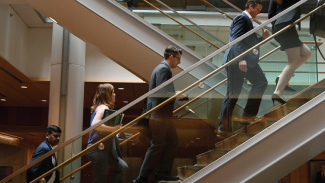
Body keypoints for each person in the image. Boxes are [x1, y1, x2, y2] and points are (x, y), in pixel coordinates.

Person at [133, 45, 187, 183]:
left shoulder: (160, 68)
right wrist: (177, 95)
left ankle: (162, 173)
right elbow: (163, 93)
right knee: (157, 144)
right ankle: (142, 177)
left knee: (171, 141)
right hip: (160, 116)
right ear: (171, 57)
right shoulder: (164, 69)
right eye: (178, 59)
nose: (179, 63)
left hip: (160, 115)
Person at [217, 0, 270, 137]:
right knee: (260, 82)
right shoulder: (242, 18)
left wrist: (262, 38)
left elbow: (247, 43)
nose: (259, 12)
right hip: (238, 61)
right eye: (257, 9)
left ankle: (224, 128)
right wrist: (240, 59)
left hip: (239, 60)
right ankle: (246, 117)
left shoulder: (248, 21)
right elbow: (236, 39)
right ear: (250, 6)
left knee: (233, 94)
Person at [268, 0, 311, 104]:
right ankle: (278, 92)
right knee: (293, 61)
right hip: (285, 26)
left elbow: (271, 14)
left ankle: (281, 77)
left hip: (284, 26)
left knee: (307, 53)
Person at [86, 83, 128, 183]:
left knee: (123, 168)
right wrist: (114, 129)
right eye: (112, 92)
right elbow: (95, 125)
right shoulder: (103, 108)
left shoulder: (102, 108)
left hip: (105, 148)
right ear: (107, 94)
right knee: (100, 179)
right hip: (98, 148)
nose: (115, 94)